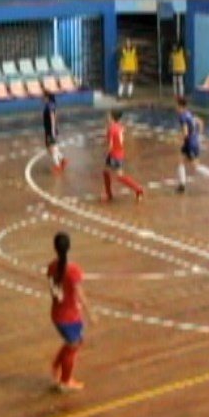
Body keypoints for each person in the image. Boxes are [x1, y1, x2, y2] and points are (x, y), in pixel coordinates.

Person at [47, 232, 96, 392]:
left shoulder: (52, 267)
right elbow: (80, 293)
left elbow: (54, 290)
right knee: (74, 346)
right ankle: (65, 381)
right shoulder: (73, 270)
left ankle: (56, 365)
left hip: (57, 313)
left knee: (74, 343)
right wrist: (91, 313)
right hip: (69, 316)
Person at [175, 97, 209, 193]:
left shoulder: (182, 117)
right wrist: (198, 134)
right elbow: (200, 122)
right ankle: (182, 185)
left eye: (177, 106)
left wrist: (179, 138)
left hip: (190, 144)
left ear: (180, 106)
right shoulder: (189, 114)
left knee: (196, 166)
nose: (176, 108)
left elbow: (185, 133)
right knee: (180, 161)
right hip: (192, 142)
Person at [102, 109, 144, 202]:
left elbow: (110, 145)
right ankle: (108, 193)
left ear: (112, 117)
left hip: (114, 154)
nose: (107, 117)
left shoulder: (111, 129)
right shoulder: (120, 127)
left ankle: (138, 189)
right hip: (118, 152)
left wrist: (106, 151)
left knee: (119, 176)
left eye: (109, 116)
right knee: (105, 171)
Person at [43, 92, 68, 174]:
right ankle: (62, 160)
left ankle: (58, 165)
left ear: (47, 97)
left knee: (51, 149)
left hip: (50, 130)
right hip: (50, 130)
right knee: (52, 148)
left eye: (43, 96)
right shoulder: (51, 105)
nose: (42, 98)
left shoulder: (49, 106)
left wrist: (52, 130)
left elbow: (52, 117)